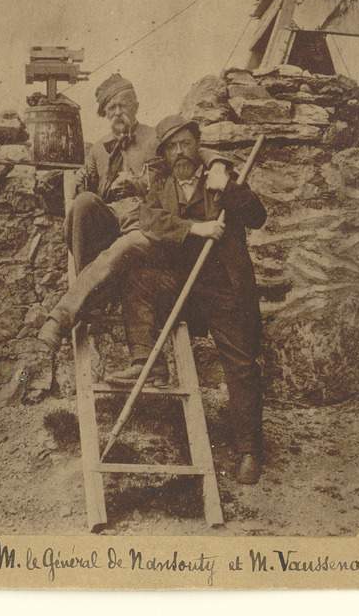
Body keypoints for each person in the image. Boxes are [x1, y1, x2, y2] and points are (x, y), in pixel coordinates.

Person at [112, 114, 267, 484]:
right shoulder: (160, 184)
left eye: (186, 143)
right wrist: (193, 228)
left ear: (198, 146)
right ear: (164, 154)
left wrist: (228, 186)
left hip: (222, 287)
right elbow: (149, 220)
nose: (180, 152)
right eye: (172, 147)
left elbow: (258, 217)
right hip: (180, 285)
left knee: (242, 364)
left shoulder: (221, 181)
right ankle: (145, 357)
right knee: (137, 279)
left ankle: (249, 450)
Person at [38, 74, 229, 359]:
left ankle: (64, 315)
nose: (118, 113)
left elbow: (194, 151)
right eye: (111, 108)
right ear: (104, 113)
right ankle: (94, 292)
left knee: (129, 241)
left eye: (123, 105)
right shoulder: (98, 150)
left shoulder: (155, 138)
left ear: (136, 106)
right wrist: (78, 181)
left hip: (149, 225)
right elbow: (86, 189)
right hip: (112, 226)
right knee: (83, 202)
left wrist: (217, 165)